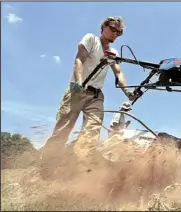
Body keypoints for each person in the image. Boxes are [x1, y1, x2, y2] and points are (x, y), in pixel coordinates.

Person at [39, 16, 135, 177]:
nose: (115, 34)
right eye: (113, 29)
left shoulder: (113, 52)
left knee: (92, 132)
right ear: (104, 26)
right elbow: (79, 59)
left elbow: (118, 72)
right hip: (78, 90)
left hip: (96, 95)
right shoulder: (91, 39)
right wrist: (78, 81)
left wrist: (127, 91)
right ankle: (45, 170)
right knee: (62, 130)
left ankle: (79, 170)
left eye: (119, 32)